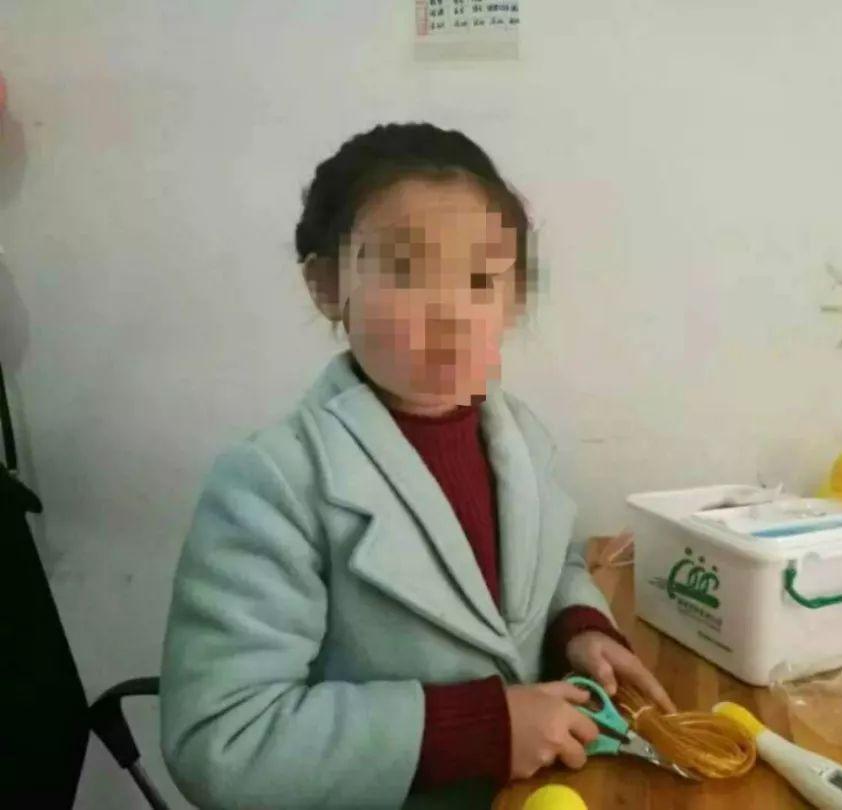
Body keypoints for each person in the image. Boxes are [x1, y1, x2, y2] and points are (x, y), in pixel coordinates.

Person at [160, 122, 674, 809]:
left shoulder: (519, 435)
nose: (452, 314)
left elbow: (548, 568)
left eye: (481, 280)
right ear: (326, 285)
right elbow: (222, 742)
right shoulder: (273, 482)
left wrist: (577, 625)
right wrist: (480, 729)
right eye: (405, 273)